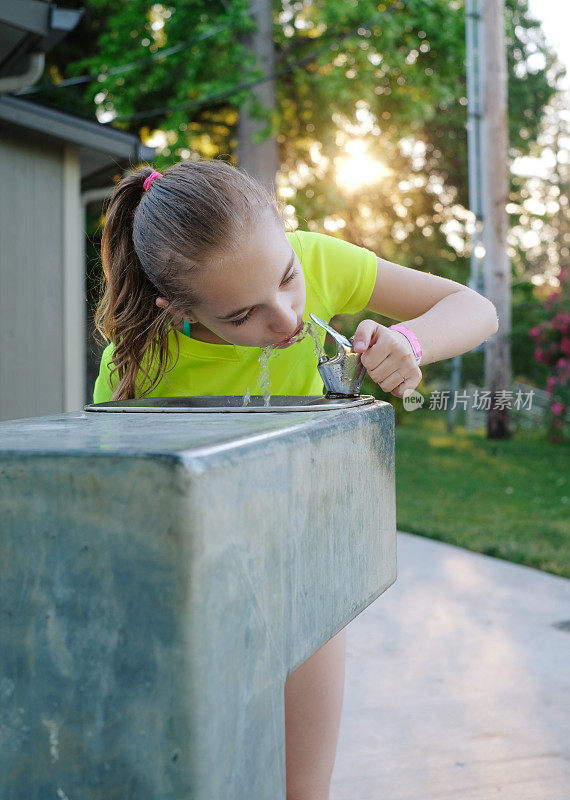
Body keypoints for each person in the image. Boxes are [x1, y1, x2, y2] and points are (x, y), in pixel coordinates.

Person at [93, 159, 499, 799]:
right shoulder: (141, 363)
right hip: (196, 585)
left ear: (287, 238)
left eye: (287, 279)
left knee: (303, 790)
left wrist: (411, 344)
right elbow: (117, 508)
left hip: (305, 567)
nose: (284, 320)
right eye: (242, 316)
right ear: (176, 310)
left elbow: (474, 306)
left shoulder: (319, 260)